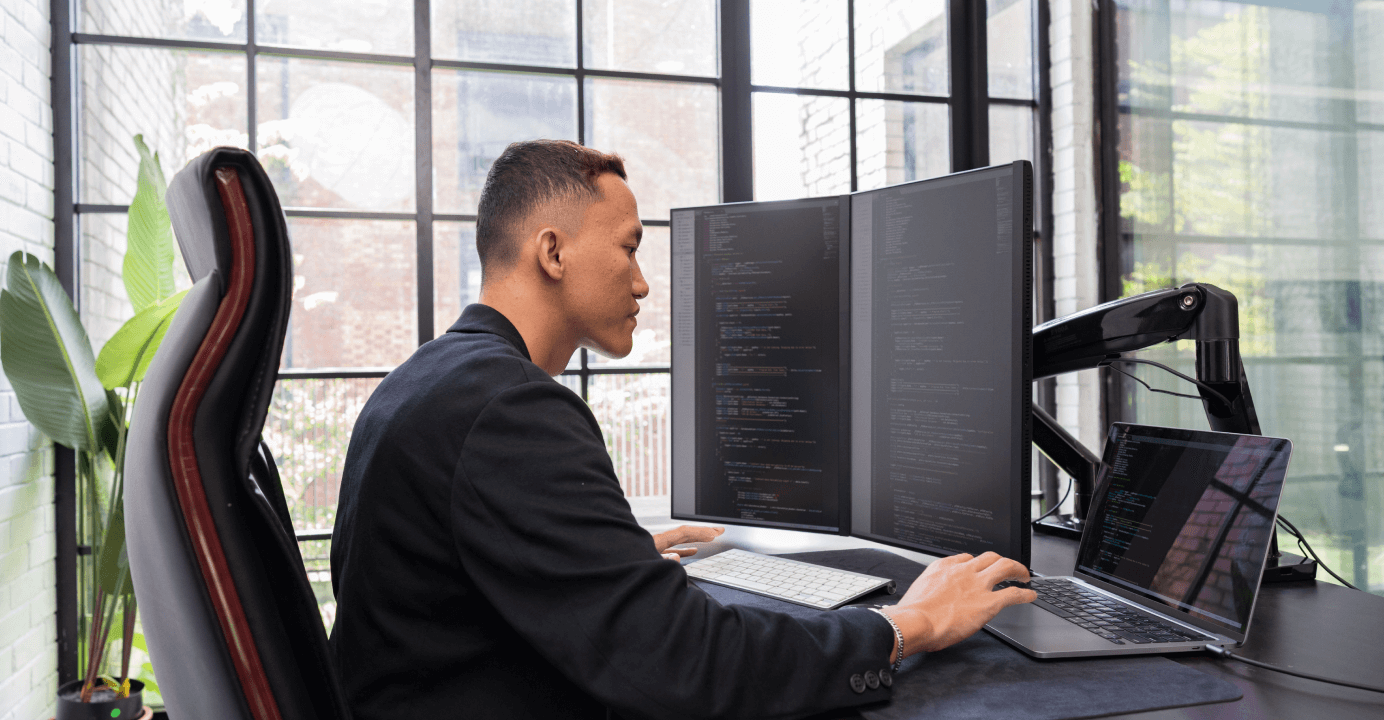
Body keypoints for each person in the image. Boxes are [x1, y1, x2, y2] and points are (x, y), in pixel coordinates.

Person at [328, 139, 1036, 720]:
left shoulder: (431, 377)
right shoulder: (508, 410)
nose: (641, 283)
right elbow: (685, 664)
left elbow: (451, 580)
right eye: (629, 248)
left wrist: (602, 558)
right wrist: (909, 626)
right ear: (553, 253)